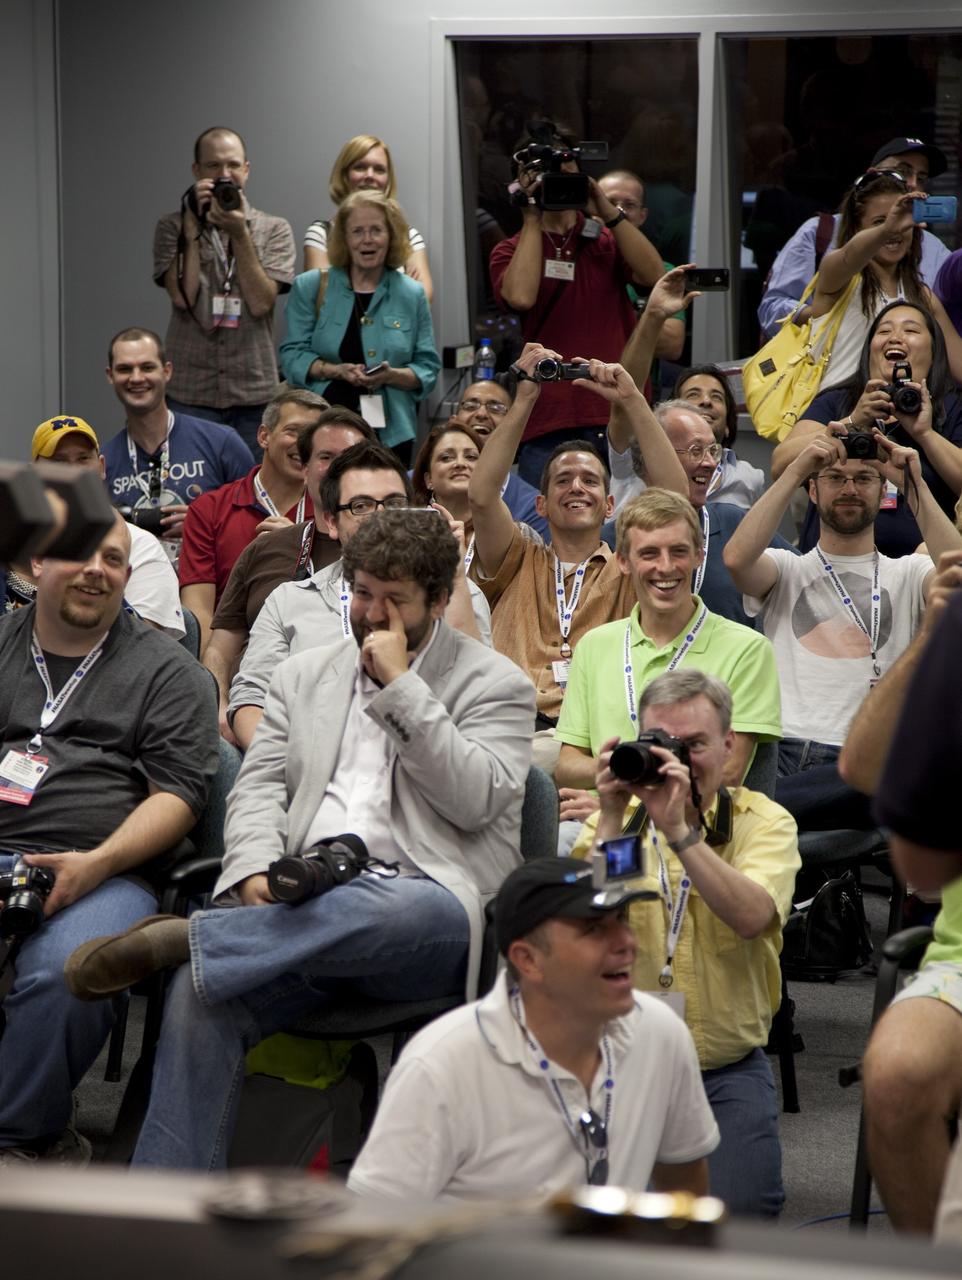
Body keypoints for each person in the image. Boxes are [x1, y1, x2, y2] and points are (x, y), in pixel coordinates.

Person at [64, 509, 536, 1172]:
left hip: (427, 913)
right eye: (361, 592)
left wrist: (402, 688)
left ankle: (194, 937)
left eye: (394, 600)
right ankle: (160, 1214)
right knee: (203, 996)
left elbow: (474, 797)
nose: (371, 614)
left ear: (435, 599)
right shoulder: (304, 675)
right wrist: (254, 872)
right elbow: (258, 791)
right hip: (299, 898)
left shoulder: (495, 684)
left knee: (390, 908)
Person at [0, 514, 218, 1165]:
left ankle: (19, 1135)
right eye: (80, 553)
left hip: (108, 868)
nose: (99, 569)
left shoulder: (168, 673)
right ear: (36, 564)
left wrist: (96, 864)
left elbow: (179, 796)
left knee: (74, 971)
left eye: (115, 559)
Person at [347, 856, 719, 1201]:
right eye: (594, 929)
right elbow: (369, 1235)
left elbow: (683, 1183)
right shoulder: (440, 1066)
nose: (626, 942)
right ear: (528, 960)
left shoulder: (660, 1033)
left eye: (622, 920)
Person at [569, 671, 800, 1217]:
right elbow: (584, 930)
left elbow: (750, 917)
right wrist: (608, 815)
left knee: (740, 1221)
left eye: (693, 745)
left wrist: (680, 832)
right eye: (661, 743)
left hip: (724, 1069)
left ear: (728, 746)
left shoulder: (763, 824)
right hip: (616, 1063)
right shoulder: (619, 827)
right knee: (591, 1223)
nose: (676, 759)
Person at [723, 432, 962, 832]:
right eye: (835, 478)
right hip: (788, 750)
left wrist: (912, 483)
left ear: (882, 490)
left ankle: (755, 817)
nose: (850, 488)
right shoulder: (787, 569)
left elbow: (956, 575)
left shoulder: (908, 572)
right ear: (812, 491)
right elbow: (735, 558)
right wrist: (799, 467)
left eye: (864, 478)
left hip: (872, 757)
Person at [468, 343, 688, 766]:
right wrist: (526, 396)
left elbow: (675, 497)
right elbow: (481, 496)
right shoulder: (516, 556)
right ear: (541, 504)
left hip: (597, 733)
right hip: (513, 726)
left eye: (589, 480)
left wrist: (632, 399)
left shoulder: (631, 567)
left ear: (609, 505)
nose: (575, 487)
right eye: (563, 480)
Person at [227, 442, 491, 750]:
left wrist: (455, 577)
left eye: (393, 504)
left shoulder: (460, 593)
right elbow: (251, 700)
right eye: (361, 506)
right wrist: (291, 769)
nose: (380, 518)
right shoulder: (288, 601)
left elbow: (479, 693)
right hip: (310, 766)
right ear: (331, 522)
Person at [554, 488, 781, 798]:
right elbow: (566, 767)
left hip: (692, 828)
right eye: (649, 554)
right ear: (622, 561)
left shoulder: (748, 650)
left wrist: (625, 807)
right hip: (596, 821)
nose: (665, 566)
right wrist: (625, 771)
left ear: (699, 555)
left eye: (679, 551)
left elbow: (727, 774)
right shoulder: (594, 645)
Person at [489, 124, 665, 487]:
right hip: (548, 417)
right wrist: (533, 215)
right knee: (549, 526)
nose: (555, 181)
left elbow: (653, 274)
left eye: (564, 171)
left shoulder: (605, 240)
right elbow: (521, 297)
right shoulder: (510, 250)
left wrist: (603, 205)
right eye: (544, 174)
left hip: (616, 409)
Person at [203, 408, 373, 738]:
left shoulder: (398, 557)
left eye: (350, 457)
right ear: (305, 469)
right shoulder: (265, 548)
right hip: (259, 720)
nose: (337, 467)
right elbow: (219, 649)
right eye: (325, 456)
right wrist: (221, 707)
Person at [771, 301, 962, 558]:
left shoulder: (952, 407)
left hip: (923, 573)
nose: (895, 337)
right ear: (869, 347)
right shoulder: (837, 401)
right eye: (884, 331)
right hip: (830, 570)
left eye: (911, 331)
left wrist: (924, 434)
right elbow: (780, 466)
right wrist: (854, 421)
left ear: (934, 348)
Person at [153, 127, 296, 454]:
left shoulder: (275, 229)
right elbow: (182, 297)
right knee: (194, 490)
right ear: (196, 171)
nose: (224, 175)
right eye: (213, 166)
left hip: (253, 392)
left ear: (246, 169)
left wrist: (239, 233)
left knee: (253, 489)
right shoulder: (171, 227)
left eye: (232, 165)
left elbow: (260, 303)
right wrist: (191, 225)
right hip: (191, 391)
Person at [280, 191, 440, 460]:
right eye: (357, 231)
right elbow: (291, 356)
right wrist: (336, 370)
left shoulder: (412, 293)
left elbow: (428, 368)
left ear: (391, 236)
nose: (367, 239)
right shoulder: (310, 287)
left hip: (392, 432)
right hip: (323, 425)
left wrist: (391, 375)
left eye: (376, 230)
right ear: (344, 238)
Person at [8, 417, 185, 639]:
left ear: (101, 467)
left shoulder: (139, 544)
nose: (74, 472)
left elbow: (147, 646)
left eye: (83, 459)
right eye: (58, 461)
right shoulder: (13, 542)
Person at [177, 388, 327, 648]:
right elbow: (198, 611)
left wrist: (296, 545)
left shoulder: (332, 512)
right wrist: (215, 678)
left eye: (313, 437)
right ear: (264, 436)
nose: (303, 445)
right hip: (231, 653)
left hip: (309, 650)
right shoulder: (209, 509)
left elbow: (338, 604)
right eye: (293, 431)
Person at [758, 137, 949, 339]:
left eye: (921, 178)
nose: (912, 184)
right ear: (871, 177)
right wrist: (823, 316)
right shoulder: (820, 232)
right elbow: (771, 310)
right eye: (902, 172)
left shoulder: (933, 247)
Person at [101, 327, 254, 561]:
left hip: (212, 590)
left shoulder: (221, 443)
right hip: (137, 589)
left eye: (147, 367)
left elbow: (254, 523)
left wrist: (202, 525)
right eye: (125, 369)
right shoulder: (104, 461)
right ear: (110, 376)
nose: (136, 378)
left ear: (167, 371)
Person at [303, 134, 433, 303]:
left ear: (387, 179)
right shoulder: (321, 233)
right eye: (360, 167)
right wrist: (402, 288)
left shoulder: (408, 237)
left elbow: (423, 302)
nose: (370, 175)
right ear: (344, 175)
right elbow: (323, 301)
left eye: (379, 169)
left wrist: (345, 285)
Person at [598, 168, 686, 365]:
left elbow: (672, 345)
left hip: (635, 386)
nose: (618, 212)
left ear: (642, 216)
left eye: (629, 205)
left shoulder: (660, 270)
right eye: (609, 204)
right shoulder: (576, 264)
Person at [451, 380, 549, 540]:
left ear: (513, 426)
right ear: (452, 420)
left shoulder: (532, 505)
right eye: (470, 406)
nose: (481, 414)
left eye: (495, 408)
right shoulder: (412, 482)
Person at [672, 365, 765, 509]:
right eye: (693, 394)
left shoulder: (750, 478)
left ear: (728, 425)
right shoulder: (649, 470)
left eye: (716, 397)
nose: (706, 401)